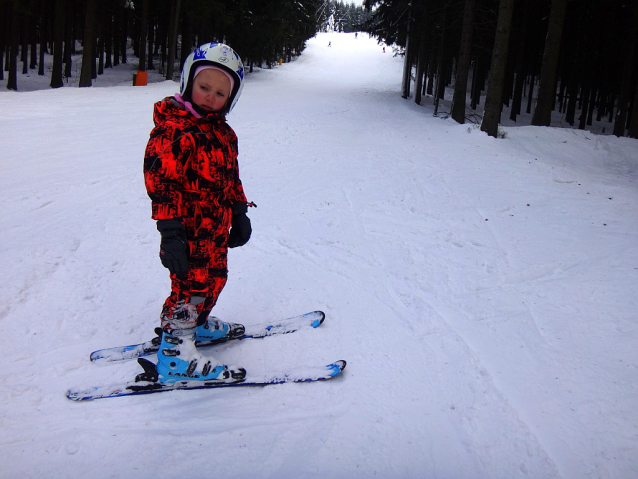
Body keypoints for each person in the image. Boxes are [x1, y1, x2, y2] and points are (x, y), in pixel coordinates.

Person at [143, 43, 252, 384]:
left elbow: (230, 176)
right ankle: (175, 353)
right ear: (188, 83)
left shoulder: (224, 133)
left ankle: (197, 326)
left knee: (215, 280)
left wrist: (239, 210)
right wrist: (170, 231)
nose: (210, 97)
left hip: (215, 230)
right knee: (189, 288)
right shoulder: (174, 130)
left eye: (220, 93)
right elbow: (160, 181)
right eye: (204, 87)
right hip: (187, 232)